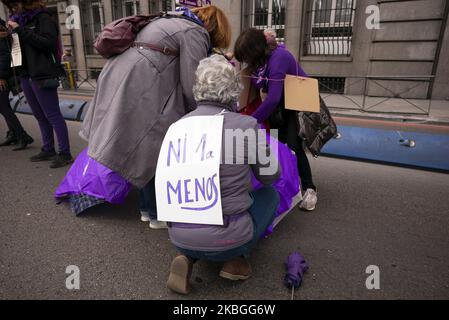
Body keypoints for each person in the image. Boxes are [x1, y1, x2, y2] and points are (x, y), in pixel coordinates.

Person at [80, 5, 231, 229]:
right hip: (143, 84)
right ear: (215, 28)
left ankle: (145, 209)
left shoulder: (166, 20)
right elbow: (193, 83)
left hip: (121, 77)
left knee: (140, 146)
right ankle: (155, 212)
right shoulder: (194, 31)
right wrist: (200, 115)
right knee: (153, 147)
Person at [166, 54, 280, 295]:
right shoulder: (245, 125)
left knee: (196, 213)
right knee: (270, 196)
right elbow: (271, 175)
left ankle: (187, 257)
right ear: (233, 90)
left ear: (198, 89)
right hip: (227, 236)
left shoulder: (176, 127)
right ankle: (236, 259)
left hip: (178, 234)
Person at [234, 28, 318, 211]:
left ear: (255, 51)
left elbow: (272, 97)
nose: (247, 62)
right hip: (275, 109)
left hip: (294, 107)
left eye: (247, 57)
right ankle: (282, 185)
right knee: (275, 144)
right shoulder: (259, 61)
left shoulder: (278, 58)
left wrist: (249, 121)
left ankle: (309, 188)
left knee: (294, 146)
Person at [5, 0, 73, 168]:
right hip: (26, 74)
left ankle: (65, 153)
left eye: (15, 5)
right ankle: (48, 148)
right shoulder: (19, 21)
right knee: (39, 115)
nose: (13, 9)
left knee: (53, 115)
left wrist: (20, 30)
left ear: (26, 3)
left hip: (42, 74)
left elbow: (48, 44)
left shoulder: (44, 19)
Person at [0, 17, 33, 150]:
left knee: (2, 107)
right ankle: (13, 133)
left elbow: (4, 57)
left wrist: (0, 77)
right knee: (3, 106)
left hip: (3, 78)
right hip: (3, 76)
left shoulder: (1, 36)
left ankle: (22, 135)